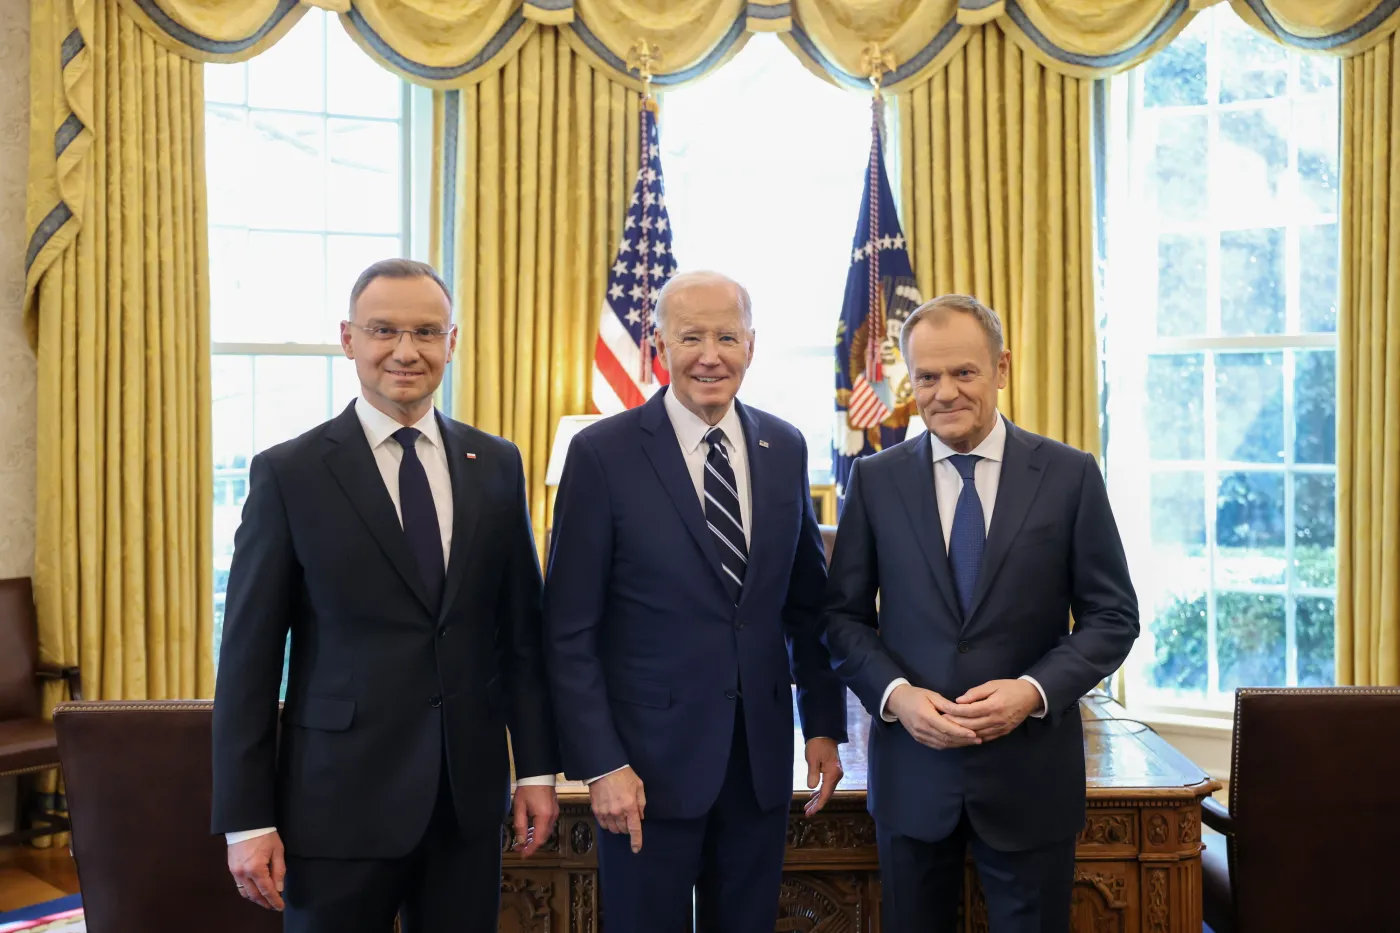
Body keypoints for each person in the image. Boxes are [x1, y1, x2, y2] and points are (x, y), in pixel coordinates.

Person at [211, 259, 559, 933]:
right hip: (336, 805)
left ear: (451, 343)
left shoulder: (496, 464)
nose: (406, 350)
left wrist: (538, 770)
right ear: (349, 339)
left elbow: (520, 635)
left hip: (465, 804)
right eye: (383, 330)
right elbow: (248, 661)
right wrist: (246, 820)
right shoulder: (289, 473)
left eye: (426, 332)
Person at [823, 294, 1139, 933]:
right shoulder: (875, 480)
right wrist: (897, 696)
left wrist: (1033, 690)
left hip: (1031, 779)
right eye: (927, 377)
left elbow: (1112, 617)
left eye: (963, 372)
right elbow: (842, 619)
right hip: (913, 779)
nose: (944, 392)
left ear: (1002, 368)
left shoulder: (1070, 475)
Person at [544, 270, 848, 933]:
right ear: (659, 346)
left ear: (751, 346)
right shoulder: (601, 454)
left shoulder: (784, 446)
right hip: (643, 771)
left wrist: (823, 725)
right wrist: (603, 764)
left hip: (759, 764)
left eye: (727, 337)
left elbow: (806, 608)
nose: (711, 355)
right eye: (690, 338)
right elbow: (568, 630)